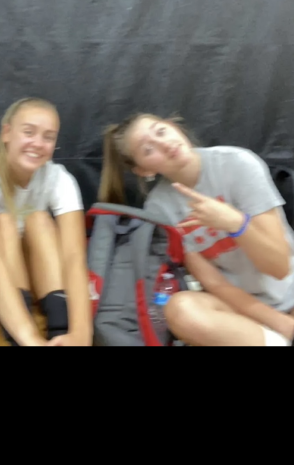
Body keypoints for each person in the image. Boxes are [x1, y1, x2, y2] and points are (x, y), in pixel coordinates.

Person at [98, 113, 294, 347]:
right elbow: (215, 284)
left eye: (161, 131)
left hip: (289, 288)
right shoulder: (159, 209)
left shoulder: (237, 163)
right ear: (143, 170)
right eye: (148, 149)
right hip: (241, 310)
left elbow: (279, 268)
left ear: (174, 127)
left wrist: (235, 223)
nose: (164, 144)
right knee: (180, 309)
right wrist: (280, 323)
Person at [0, 97, 93, 347]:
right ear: (7, 133)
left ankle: (60, 328)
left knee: (39, 220)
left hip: (31, 277)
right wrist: (30, 339)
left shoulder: (60, 178)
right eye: (29, 132)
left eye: (48, 137)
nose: (37, 143)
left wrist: (82, 333)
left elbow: (74, 257)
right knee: (4, 223)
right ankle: (19, 338)